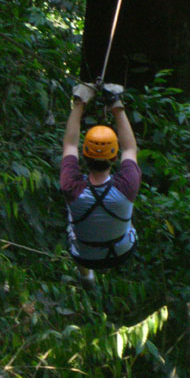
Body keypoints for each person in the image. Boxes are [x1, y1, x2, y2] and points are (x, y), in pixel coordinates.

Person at [60, 82, 141, 289]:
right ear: (114, 158)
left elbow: (70, 145)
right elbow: (130, 148)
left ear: (84, 156)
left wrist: (79, 102)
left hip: (84, 257)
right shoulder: (127, 185)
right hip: (122, 252)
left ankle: (86, 276)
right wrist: (116, 104)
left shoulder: (71, 186)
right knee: (126, 212)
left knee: (72, 216)